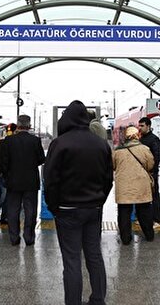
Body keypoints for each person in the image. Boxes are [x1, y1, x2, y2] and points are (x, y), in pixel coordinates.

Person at [44, 100, 113, 305]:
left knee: (72, 259)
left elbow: (50, 180)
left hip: (67, 210)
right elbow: (108, 178)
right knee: (94, 255)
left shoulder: (60, 143)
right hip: (93, 208)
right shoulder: (101, 144)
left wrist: (54, 206)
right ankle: (98, 299)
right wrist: (100, 200)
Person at [1, 115, 46, 246]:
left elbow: (5, 162)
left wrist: (7, 175)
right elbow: (41, 159)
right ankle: (29, 237)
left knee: (13, 210)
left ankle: (14, 238)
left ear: (18, 124)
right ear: (29, 125)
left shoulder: (9, 141)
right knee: (30, 210)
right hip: (31, 181)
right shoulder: (35, 140)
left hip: (13, 181)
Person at [113, 126, 155, 244]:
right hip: (141, 184)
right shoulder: (144, 149)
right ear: (137, 135)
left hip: (124, 185)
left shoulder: (117, 151)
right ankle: (149, 235)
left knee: (124, 212)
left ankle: (125, 239)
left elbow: (113, 165)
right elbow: (150, 165)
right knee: (144, 211)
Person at [0, 122, 17, 227]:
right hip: (7, 175)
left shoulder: (1, 143)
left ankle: (1, 218)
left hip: (3, 175)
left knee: (4, 197)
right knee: (3, 197)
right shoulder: (12, 144)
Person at [138, 117, 160, 227]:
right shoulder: (141, 139)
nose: (140, 128)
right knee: (143, 195)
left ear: (148, 126)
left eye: (142, 126)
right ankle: (144, 218)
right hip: (142, 173)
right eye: (139, 125)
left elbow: (157, 157)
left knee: (154, 195)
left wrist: (151, 170)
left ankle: (156, 219)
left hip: (151, 173)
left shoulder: (154, 139)